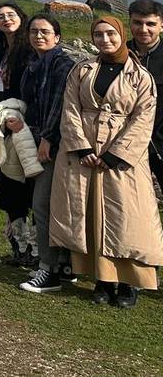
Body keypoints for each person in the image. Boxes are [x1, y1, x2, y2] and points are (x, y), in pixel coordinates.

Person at [51, 16, 163, 309]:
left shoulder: (140, 76)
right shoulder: (82, 69)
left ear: (121, 34)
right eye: (98, 35)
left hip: (122, 156)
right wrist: (81, 146)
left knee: (127, 217)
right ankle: (102, 279)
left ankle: (129, 281)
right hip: (87, 153)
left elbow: (143, 119)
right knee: (90, 216)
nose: (105, 40)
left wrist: (117, 154)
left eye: (111, 34)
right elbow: (71, 108)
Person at [15, 13, 77, 294]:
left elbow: (58, 103)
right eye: (34, 32)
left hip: (52, 142)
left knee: (42, 205)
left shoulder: (61, 65)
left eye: (44, 31)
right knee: (50, 204)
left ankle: (48, 270)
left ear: (57, 36)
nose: (38, 36)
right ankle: (62, 264)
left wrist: (48, 139)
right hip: (37, 136)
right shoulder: (35, 64)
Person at [0, 0, 36, 266]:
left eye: (11, 15)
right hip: (3, 125)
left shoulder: (28, 50)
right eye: (0, 17)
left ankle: (36, 249)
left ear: (21, 17)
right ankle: (18, 246)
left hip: (24, 126)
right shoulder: (0, 52)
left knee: (30, 188)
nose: (5, 19)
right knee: (9, 188)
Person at [126, 0, 163, 189]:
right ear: (130, 22)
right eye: (138, 23)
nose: (144, 29)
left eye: (151, 24)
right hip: (125, 144)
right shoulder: (119, 55)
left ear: (162, 25)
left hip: (159, 143)